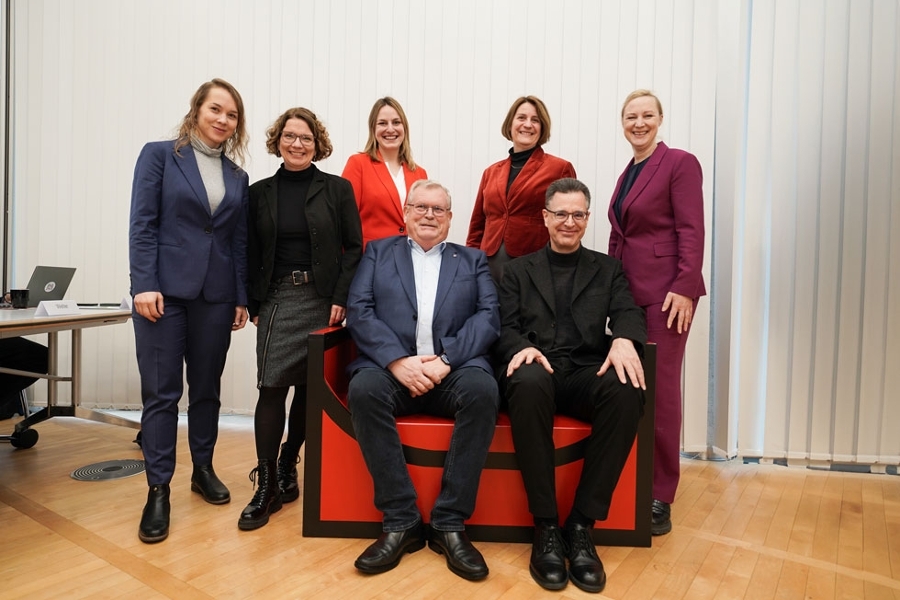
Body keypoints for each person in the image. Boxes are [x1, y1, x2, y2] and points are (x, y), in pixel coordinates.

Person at [495, 178, 647, 594]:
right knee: (525, 380)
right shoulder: (515, 270)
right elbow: (503, 328)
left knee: (626, 388)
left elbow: (629, 312)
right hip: (537, 366)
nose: (569, 221)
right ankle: (545, 526)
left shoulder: (608, 268)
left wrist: (622, 339)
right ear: (545, 217)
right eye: (560, 213)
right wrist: (521, 348)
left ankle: (580, 525)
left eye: (577, 214)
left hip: (584, 371)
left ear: (587, 218)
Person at [346, 180, 500, 581]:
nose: (429, 215)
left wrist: (446, 360)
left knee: (483, 391)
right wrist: (397, 361)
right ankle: (402, 521)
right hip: (392, 370)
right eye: (421, 207)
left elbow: (488, 318)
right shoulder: (378, 253)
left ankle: (449, 523)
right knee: (363, 389)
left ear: (450, 219)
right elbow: (359, 310)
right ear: (406, 211)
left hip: (452, 370)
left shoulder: (473, 260)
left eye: (438, 210)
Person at [129, 78, 250, 544]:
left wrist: (240, 296)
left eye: (232, 114)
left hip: (216, 297)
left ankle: (203, 469)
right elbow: (142, 224)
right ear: (197, 109)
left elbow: (237, 242)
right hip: (163, 295)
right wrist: (144, 285)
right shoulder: (160, 155)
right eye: (215, 109)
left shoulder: (237, 177)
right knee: (161, 394)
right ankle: (158, 489)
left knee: (206, 390)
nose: (222, 120)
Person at [238, 107, 362, 531]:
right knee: (271, 386)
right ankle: (267, 480)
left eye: (305, 138)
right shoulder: (259, 193)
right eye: (289, 136)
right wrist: (253, 303)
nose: (297, 144)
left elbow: (353, 248)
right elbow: (249, 252)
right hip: (276, 299)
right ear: (278, 141)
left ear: (317, 143)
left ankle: (290, 460)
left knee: (311, 392)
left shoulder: (337, 190)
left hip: (323, 300)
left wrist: (341, 297)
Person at [607, 90, 705, 537]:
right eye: (631, 116)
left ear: (661, 118)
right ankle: (637, 480)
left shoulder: (680, 163)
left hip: (666, 297)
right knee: (635, 390)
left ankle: (660, 494)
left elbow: (691, 227)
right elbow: (622, 237)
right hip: (630, 294)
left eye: (647, 115)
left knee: (661, 395)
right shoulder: (629, 171)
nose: (639, 122)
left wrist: (685, 286)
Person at [466, 95, 576, 281]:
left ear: (542, 128)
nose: (527, 124)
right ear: (511, 124)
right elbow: (478, 224)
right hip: (489, 267)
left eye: (535, 120)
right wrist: (470, 263)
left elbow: (567, 222)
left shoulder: (559, 169)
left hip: (534, 267)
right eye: (521, 118)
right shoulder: (490, 172)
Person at [341, 97, 428, 248]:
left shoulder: (420, 173)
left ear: (404, 128)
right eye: (382, 123)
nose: (390, 129)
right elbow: (344, 219)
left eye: (396, 122)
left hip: (409, 258)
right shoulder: (358, 164)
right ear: (373, 129)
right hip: (371, 259)